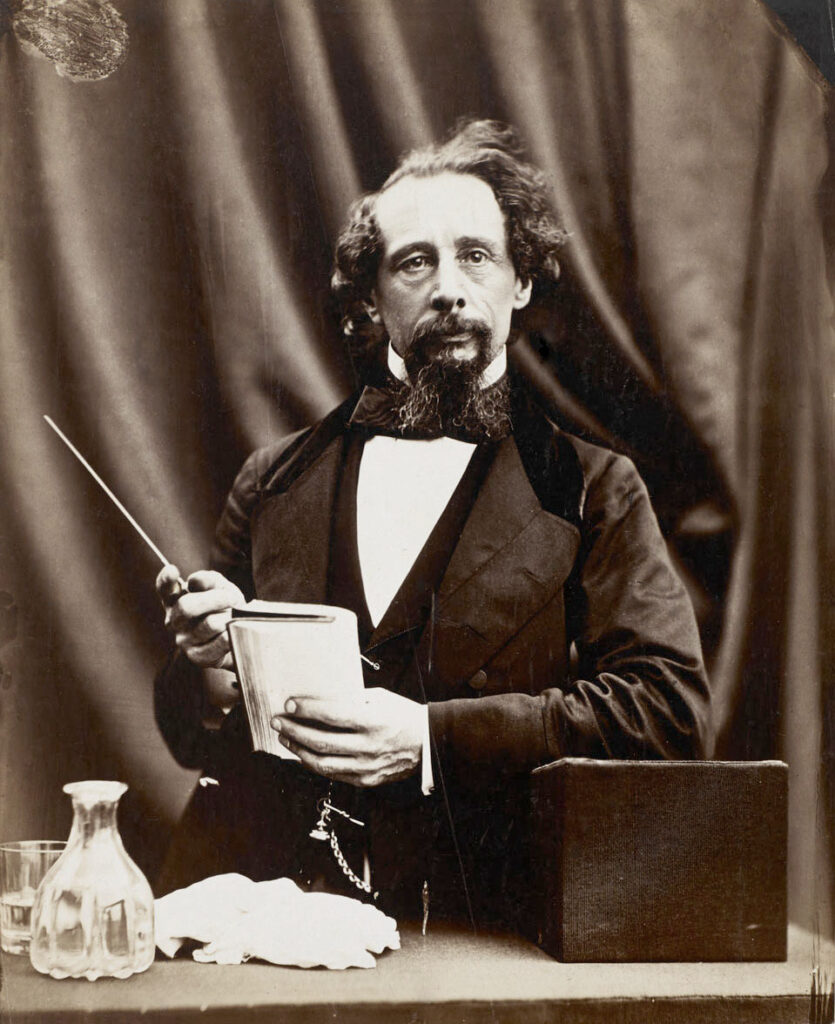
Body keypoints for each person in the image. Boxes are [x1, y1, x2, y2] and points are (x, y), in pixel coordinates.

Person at [154, 120, 710, 930]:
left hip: (475, 924)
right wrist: (209, 666)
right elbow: (191, 731)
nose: (449, 286)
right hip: (258, 918)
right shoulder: (273, 481)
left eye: (476, 255)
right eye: (414, 261)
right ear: (372, 298)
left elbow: (667, 713)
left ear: (519, 283)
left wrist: (430, 741)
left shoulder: (593, 489)